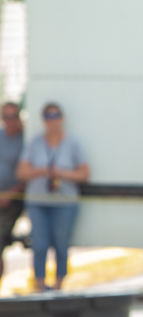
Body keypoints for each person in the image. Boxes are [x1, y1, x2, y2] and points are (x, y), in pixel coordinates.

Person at [16, 102, 89, 292]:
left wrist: (62, 173)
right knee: (39, 245)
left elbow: (84, 173)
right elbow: (22, 172)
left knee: (61, 244)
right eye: (48, 116)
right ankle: (40, 285)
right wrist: (42, 171)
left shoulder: (73, 143)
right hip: (38, 201)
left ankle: (58, 285)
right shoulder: (35, 143)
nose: (52, 120)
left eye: (55, 115)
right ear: (43, 120)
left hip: (64, 202)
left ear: (61, 119)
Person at [0, 101, 24, 287]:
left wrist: (10, 194)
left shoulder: (25, 140)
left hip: (13, 201)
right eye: (6, 116)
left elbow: (26, 175)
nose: (10, 120)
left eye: (13, 116)